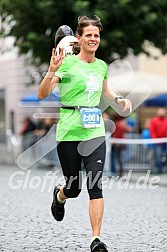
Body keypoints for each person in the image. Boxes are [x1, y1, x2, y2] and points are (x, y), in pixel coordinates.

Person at [37, 15, 132, 252]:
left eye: (96, 35)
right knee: (74, 188)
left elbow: (105, 88)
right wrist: (51, 70)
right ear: (79, 38)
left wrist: (119, 99)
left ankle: (95, 239)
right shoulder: (67, 64)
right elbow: (42, 94)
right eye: (88, 35)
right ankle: (60, 196)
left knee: (95, 186)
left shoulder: (101, 66)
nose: (93, 39)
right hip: (69, 133)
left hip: (94, 133)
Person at [149, 108, 167, 174]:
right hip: (158, 142)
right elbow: (152, 131)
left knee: (163, 156)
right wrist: (155, 139)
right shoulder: (154, 120)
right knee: (158, 156)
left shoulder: (166, 120)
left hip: (165, 142)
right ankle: (159, 169)